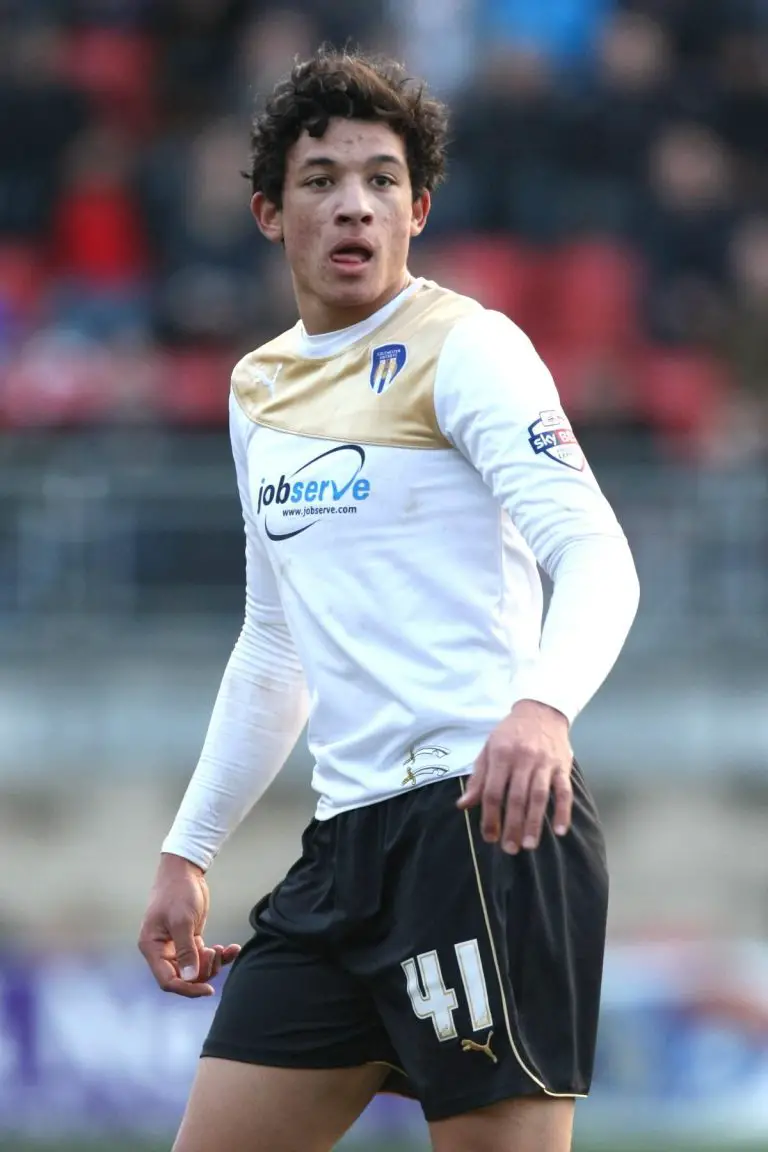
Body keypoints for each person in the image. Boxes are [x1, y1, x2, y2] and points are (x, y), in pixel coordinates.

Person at [139, 47, 640, 1152]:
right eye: (321, 181)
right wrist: (190, 847)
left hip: (484, 830)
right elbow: (275, 643)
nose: (353, 203)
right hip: (342, 854)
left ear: (417, 210)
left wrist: (543, 709)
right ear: (270, 214)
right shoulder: (258, 388)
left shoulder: (470, 348)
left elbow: (598, 554)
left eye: (381, 180)